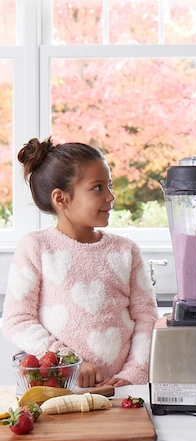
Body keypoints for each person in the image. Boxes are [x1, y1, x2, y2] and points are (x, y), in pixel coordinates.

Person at [2, 137, 158, 388]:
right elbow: (17, 321)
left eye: (109, 185)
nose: (110, 196)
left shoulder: (126, 251)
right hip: (61, 390)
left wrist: (133, 375)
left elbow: (147, 318)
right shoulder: (36, 247)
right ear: (61, 199)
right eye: (97, 188)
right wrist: (69, 361)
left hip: (122, 392)